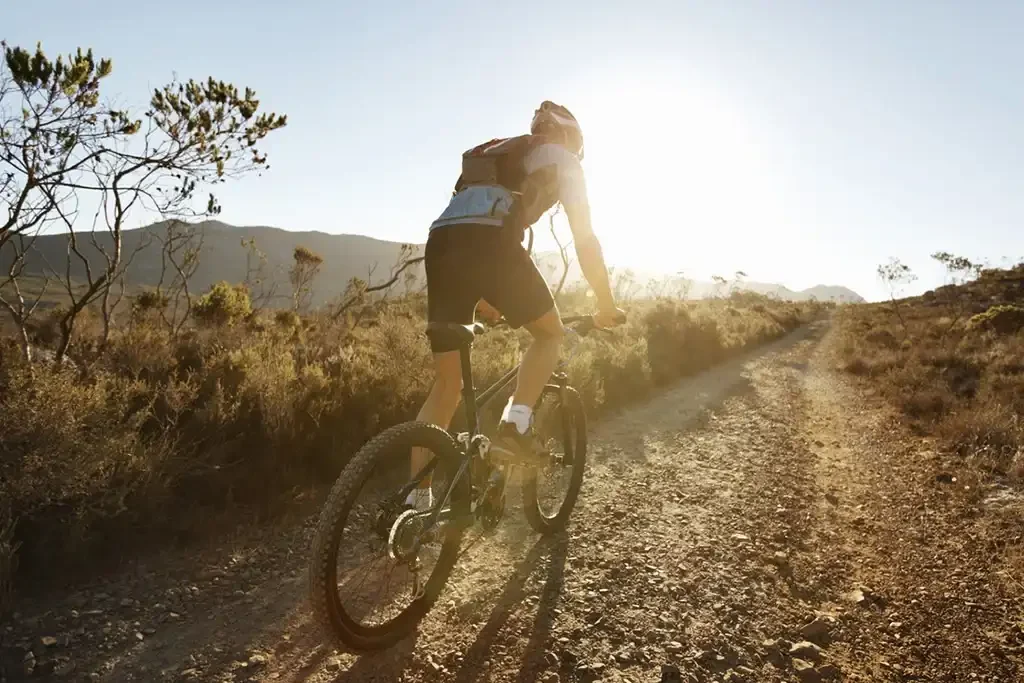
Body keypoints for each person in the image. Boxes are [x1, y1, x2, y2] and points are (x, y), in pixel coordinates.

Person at [407, 100, 625, 510]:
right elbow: (586, 241)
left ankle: (416, 504)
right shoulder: (564, 160)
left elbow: (467, 224)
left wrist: (486, 297)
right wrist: (606, 302)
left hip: (441, 242)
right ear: (569, 139)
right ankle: (515, 425)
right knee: (550, 334)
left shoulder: (498, 154)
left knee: (447, 385)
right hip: (491, 243)